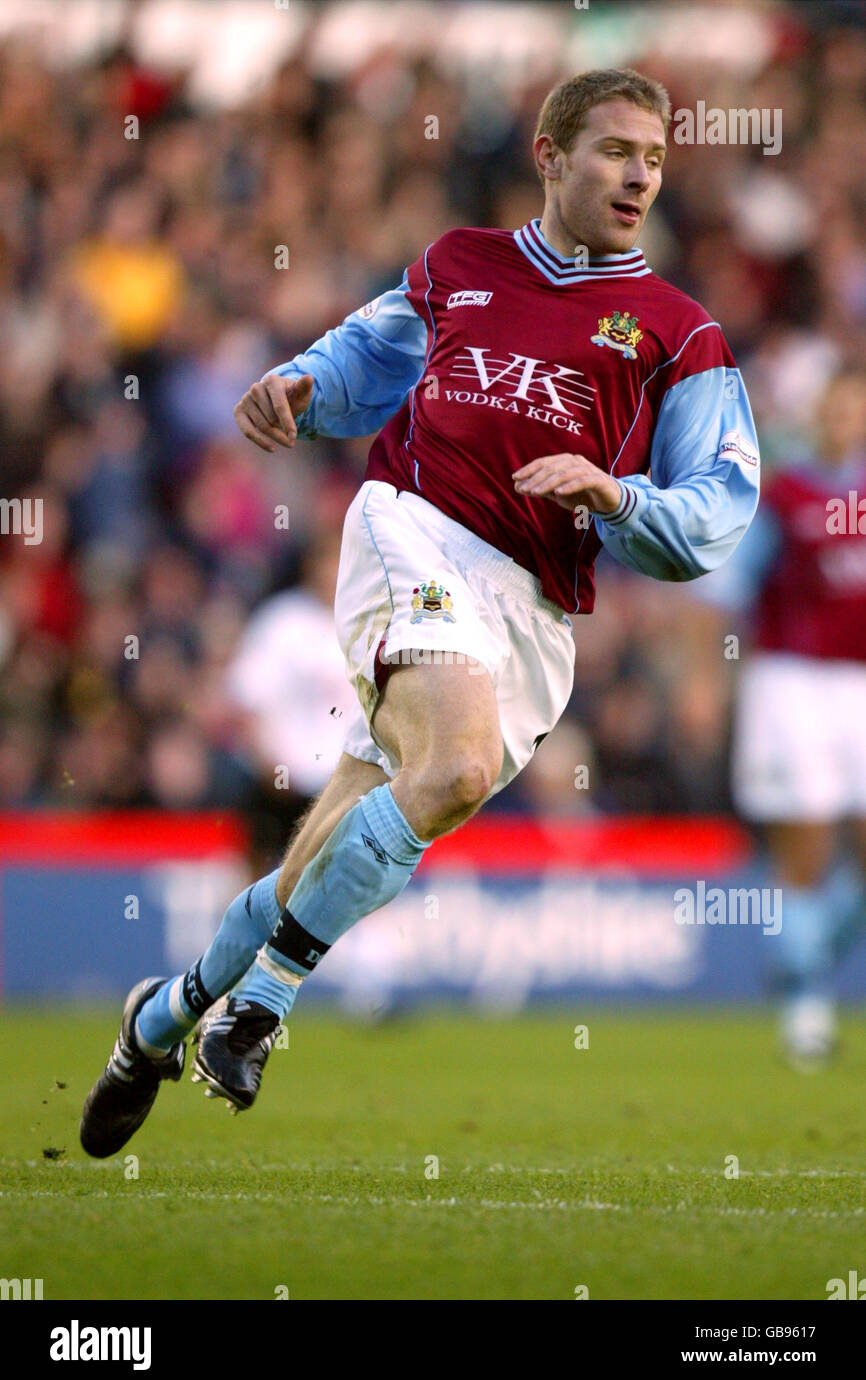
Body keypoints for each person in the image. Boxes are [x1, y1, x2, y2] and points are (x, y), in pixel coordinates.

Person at [80, 67, 760, 1156]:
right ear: (548, 154)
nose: (639, 175)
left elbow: (719, 507)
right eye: (615, 151)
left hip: (533, 610)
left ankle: (159, 1017)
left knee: (316, 862)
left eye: (654, 158)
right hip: (414, 530)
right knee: (447, 768)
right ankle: (262, 1009)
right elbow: (367, 354)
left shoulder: (677, 334)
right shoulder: (459, 264)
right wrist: (300, 382)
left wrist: (616, 493)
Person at [716, 368, 866, 1067]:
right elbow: (730, 583)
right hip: (793, 680)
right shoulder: (784, 494)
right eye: (837, 407)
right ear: (820, 415)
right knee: (806, 839)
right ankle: (806, 1004)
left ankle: (802, 958)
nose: (845, 419)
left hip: (858, 682)